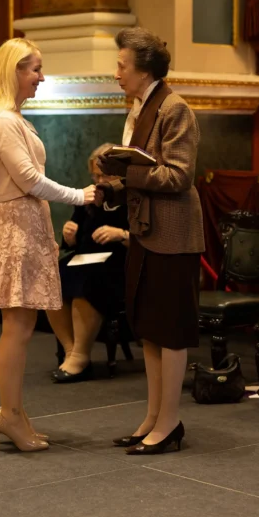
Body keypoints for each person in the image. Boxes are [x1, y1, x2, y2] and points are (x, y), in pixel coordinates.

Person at [0, 38, 96, 453]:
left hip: (26, 222)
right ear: (14, 71)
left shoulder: (13, 119)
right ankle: (9, 414)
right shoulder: (4, 121)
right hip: (18, 225)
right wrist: (81, 195)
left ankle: (15, 414)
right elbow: (28, 180)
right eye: (35, 69)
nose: (42, 77)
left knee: (21, 328)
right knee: (18, 328)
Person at [98, 27, 204, 455]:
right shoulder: (140, 106)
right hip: (147, 230)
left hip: (173, 234)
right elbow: (141, 170)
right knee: (149, 329)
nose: (116, 72)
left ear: (143, 69)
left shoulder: (175, 109)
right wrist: (114, 182)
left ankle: (171, 422)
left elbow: (179, 176)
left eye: (121, 65)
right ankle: (153, 417)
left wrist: (128, 174)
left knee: (170, 330)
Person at [48, 144, 129, 383]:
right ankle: (71, 350)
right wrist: (69, 235)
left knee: (88, 280)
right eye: (97, 175)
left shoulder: (133, 198)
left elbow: (148, 239)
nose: (100, 180)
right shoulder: (89, 198)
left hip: (119, 261)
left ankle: (80, 355)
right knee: (50, 279)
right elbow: (75, 240)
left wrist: (120, 234)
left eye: (106, 175)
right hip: (85, 257)